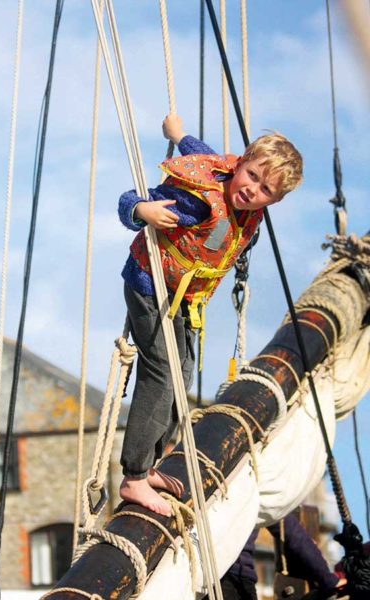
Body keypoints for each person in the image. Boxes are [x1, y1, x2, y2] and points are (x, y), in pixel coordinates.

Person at [118, 114, 303, 515]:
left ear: (275, 200)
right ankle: (133, 477)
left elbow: (199, 151)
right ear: (240, 163)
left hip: (183, 297)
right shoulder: (199, 200)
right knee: (161, 371)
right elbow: (128, 200)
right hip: (149, 282)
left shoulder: (245, 203)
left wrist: (178, 133)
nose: (252, 189)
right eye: (251, 175)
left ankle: (149, 463)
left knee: (183, 374)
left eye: (265, 189)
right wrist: (143, 211)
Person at [202, 514, 347, 600]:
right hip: (233, 577)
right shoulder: (255, 479)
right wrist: (327, 579)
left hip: (196, 569)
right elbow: (292, 533)